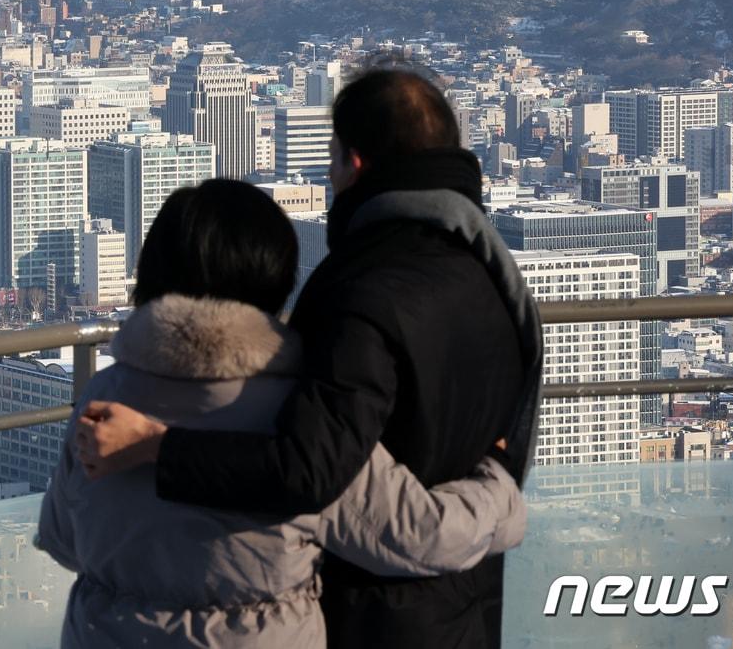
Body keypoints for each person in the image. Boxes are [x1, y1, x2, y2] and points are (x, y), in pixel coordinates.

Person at [76, 69, 544, 648]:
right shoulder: (490, 275)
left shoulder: (106, 405)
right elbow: (418, 529)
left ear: (355, 162)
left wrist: (155, 445)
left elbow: (311, 469)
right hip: (454, 605)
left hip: (373, 619)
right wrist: (499, 484)